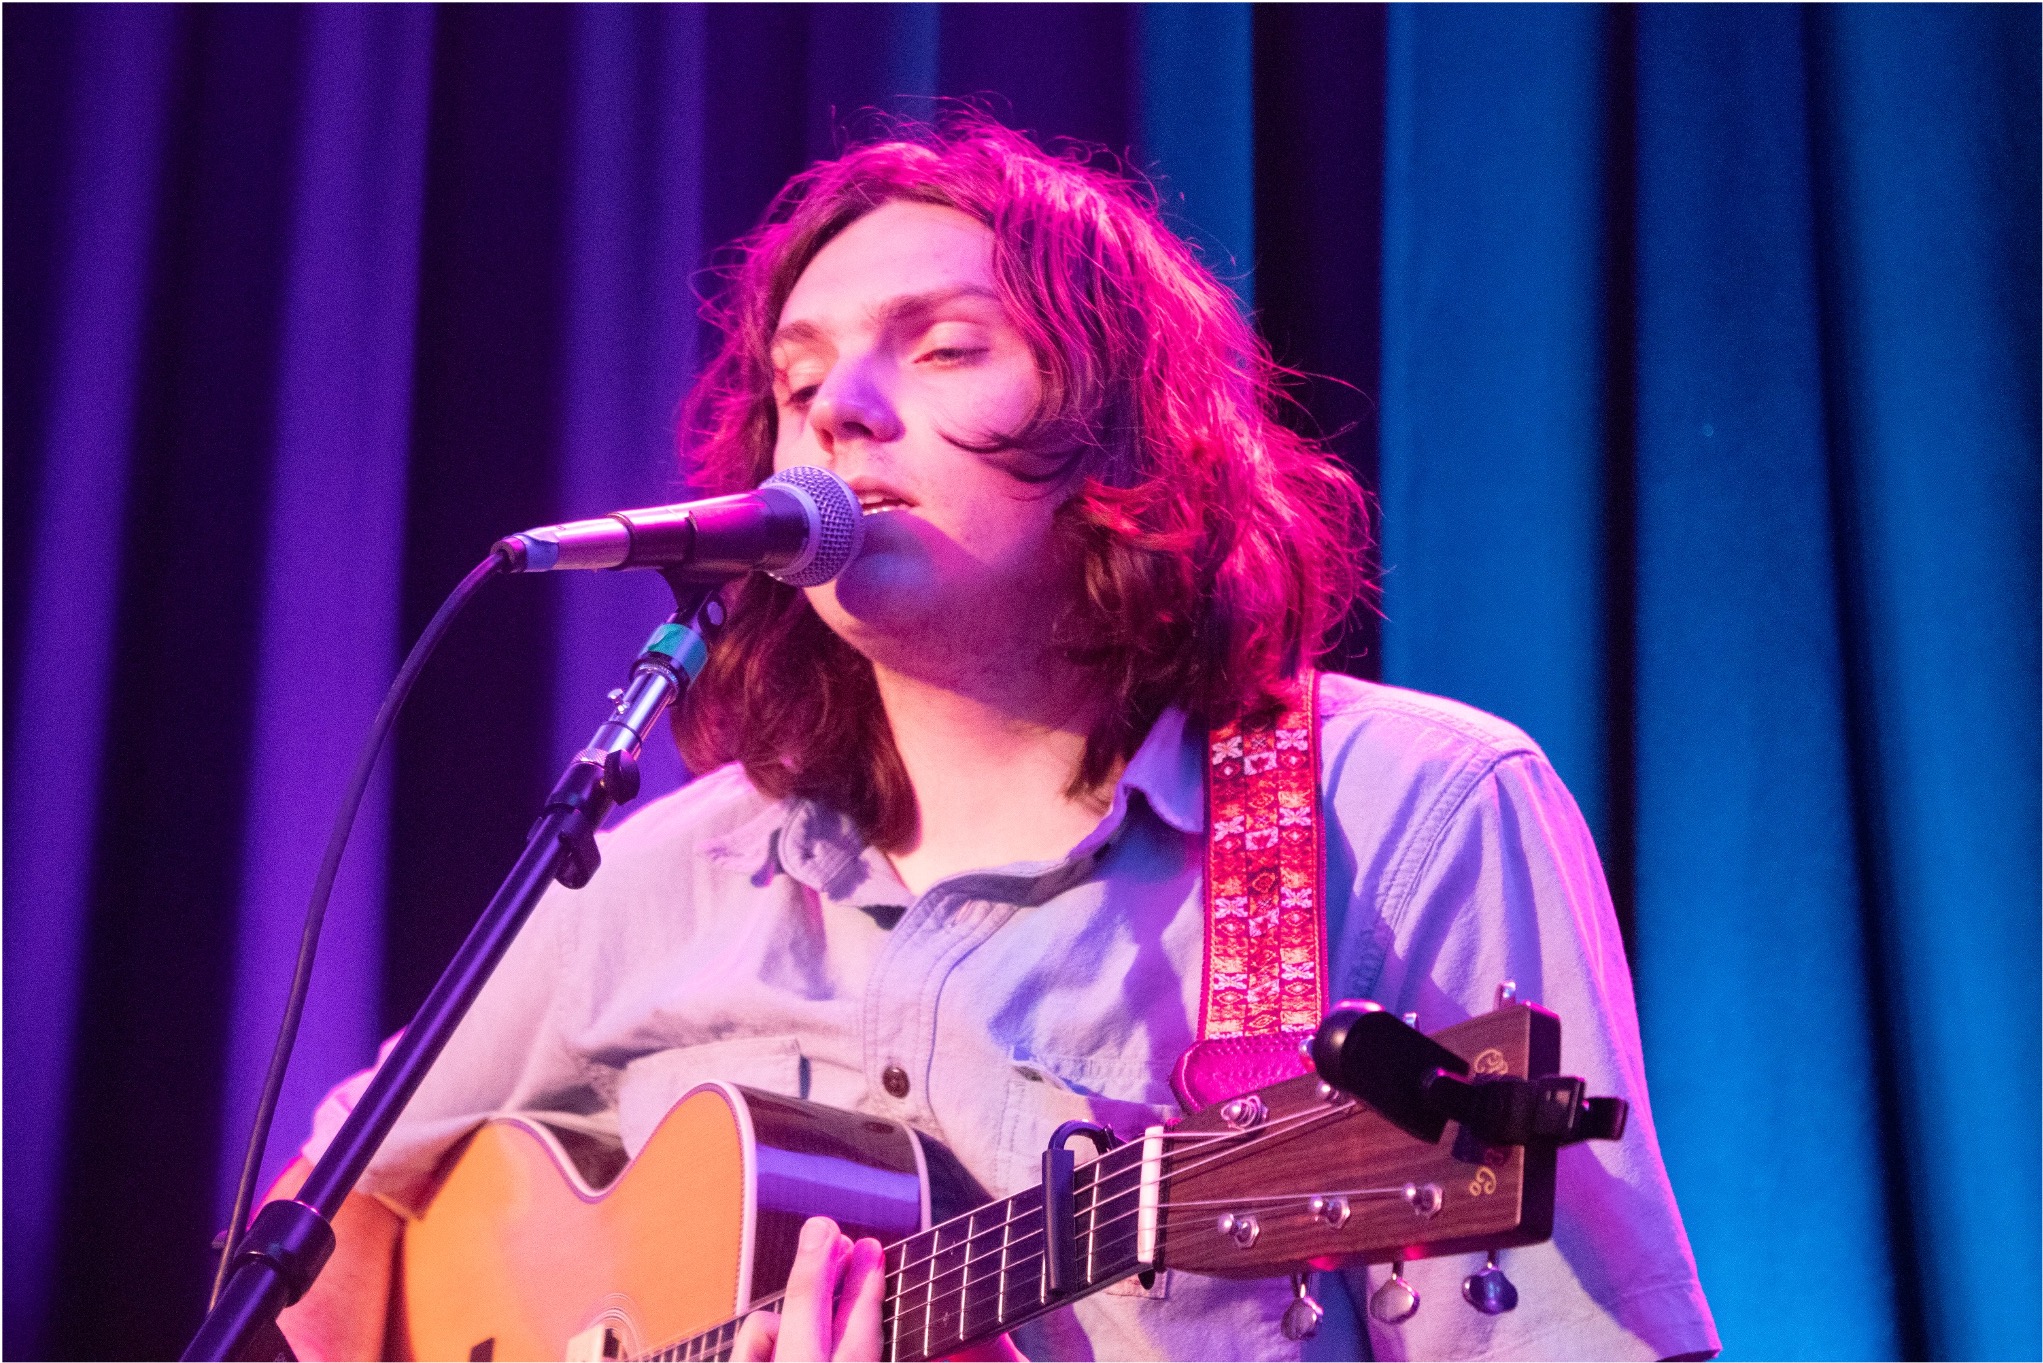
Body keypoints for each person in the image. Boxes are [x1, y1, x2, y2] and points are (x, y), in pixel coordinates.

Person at [274, 118, 1719, 1362]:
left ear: (1121, 428)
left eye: (946, 347)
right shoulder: (654, 875)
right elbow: (308, 1246)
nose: (840, 408)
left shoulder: (1406, 811)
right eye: (799, 380)